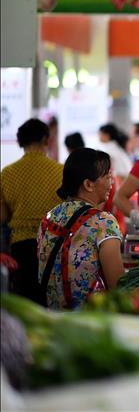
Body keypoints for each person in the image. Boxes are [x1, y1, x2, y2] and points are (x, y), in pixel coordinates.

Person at [37, 148, 124, 310]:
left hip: (52, 317)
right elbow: (117, 286)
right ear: (88, 185)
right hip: (91, 321)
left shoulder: (49, 217)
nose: (111, 183)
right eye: (107, 177)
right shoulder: (103, 222)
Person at [0, 119, 63, 304]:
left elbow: (2, 216)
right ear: (46, 139)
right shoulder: (60, 171)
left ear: (20, 142)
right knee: (53, 299)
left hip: (22, 246)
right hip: (54, 242)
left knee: (28, 301)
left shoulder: (8, 173)